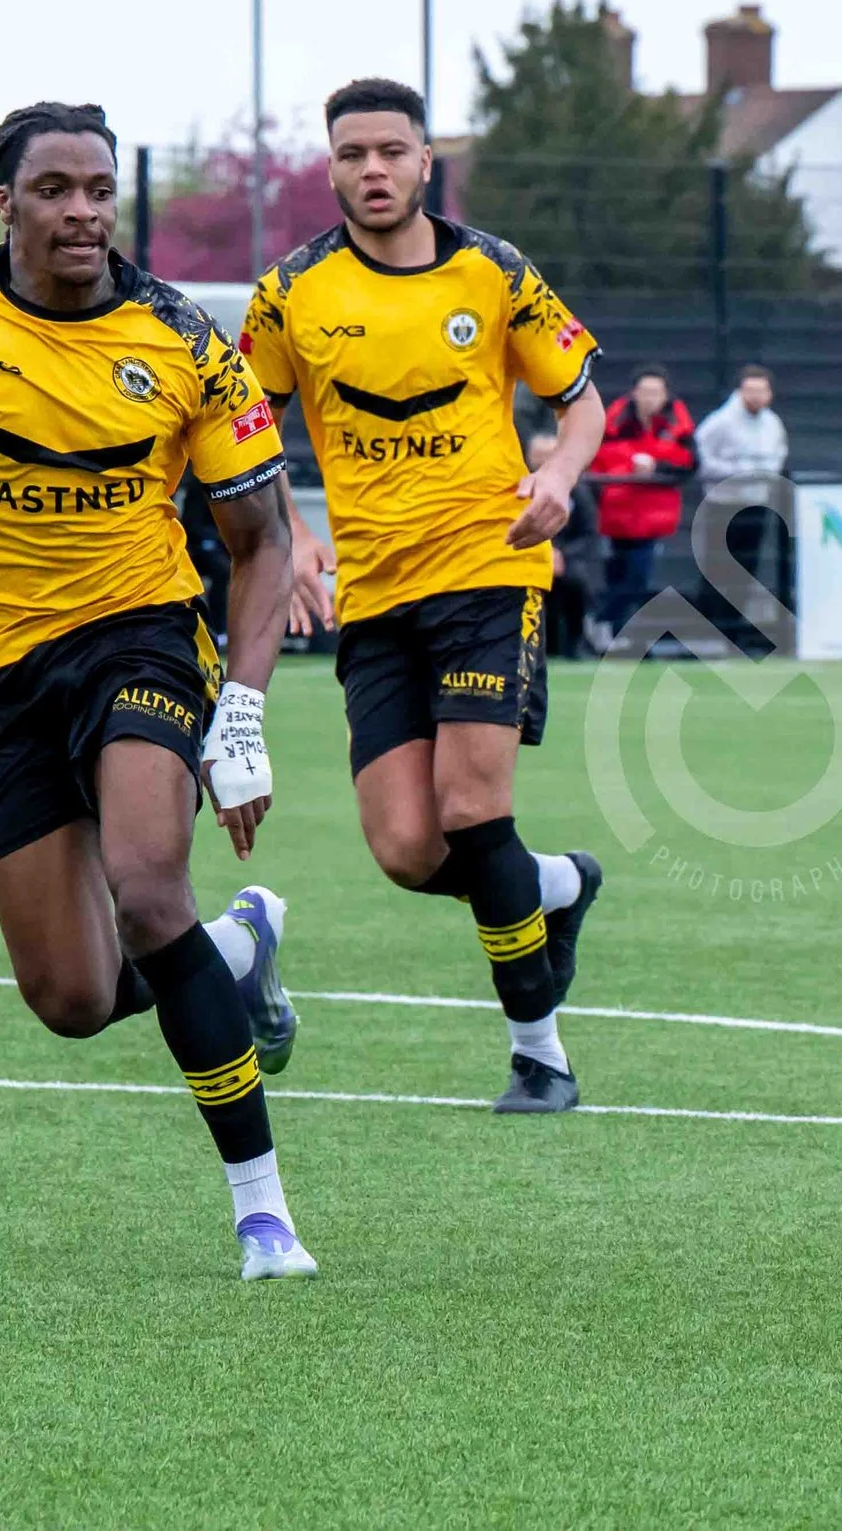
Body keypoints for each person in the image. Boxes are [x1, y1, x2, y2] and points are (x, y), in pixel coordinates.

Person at [0, 102, 314, 1281]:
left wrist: (239, 717)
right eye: (56, 190)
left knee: (146, 884)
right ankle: (237, 945)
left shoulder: (188, 339)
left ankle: (263, 1210)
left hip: (139, 641)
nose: (82, 211)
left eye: (99, 189)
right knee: (75, 998)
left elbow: (262, 539)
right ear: (7, 202)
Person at [244, 77, 608, 1115]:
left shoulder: (491, 271)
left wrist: (557, 478)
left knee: (469, 804)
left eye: (391, 151)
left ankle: (539, 1052)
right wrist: (296, 532)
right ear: (331, 167)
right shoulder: (290, 293)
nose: (373, 170)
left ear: (423, 162)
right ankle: (551, 885)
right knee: (409, 848)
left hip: (490, 567)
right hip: (374, 590)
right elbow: (245, 429)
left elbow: (580, 400)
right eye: (352, 153)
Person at [594, 364, 696, 641]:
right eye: (645, 391)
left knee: (638, 578)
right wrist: (629, 465)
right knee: (616, 575)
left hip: (654, 517)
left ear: (665, 395)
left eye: (656, 392)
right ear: (634, 393)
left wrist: (657, 465)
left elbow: (689, 464)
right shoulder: (613, 422)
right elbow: (597, 459)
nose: (650, 397)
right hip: (616, 513)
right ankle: (614, 635)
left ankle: (602, 621)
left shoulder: (678, 425)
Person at [695, 363, 792, 651]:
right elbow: (701, 456)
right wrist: (737, 472)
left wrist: (762, 475)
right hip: (723, 504)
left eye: (761, 390)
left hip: (756, 505)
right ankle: (710, 633)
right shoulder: (720, 422)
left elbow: (779, 455)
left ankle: (732, 634)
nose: (756, 396)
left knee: (745, 571)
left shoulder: (773, 423)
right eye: (750, 389)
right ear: (740, 390)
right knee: (717, 569)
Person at [528, 429, 602, 658]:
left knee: (576, 583)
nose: (543, 461)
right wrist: (545, 552)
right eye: (538, 455)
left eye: (548, 454)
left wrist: (562, 554)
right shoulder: (519, 487)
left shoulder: (578, 490)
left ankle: (574, 644)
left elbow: (588, 533)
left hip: (569, 559)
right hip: (528, 555)